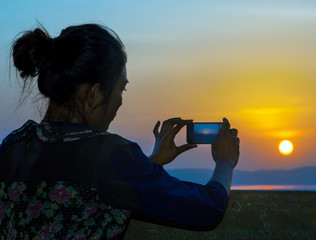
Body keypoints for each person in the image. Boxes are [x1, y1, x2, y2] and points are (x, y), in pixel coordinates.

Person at [0, 24, 240, 239]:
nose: (120, 102)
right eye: (120, 89)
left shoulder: (14, 145)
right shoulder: (108, 154)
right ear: (92, 94)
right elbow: (208, 210)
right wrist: (225, 161)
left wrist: (152, 163)